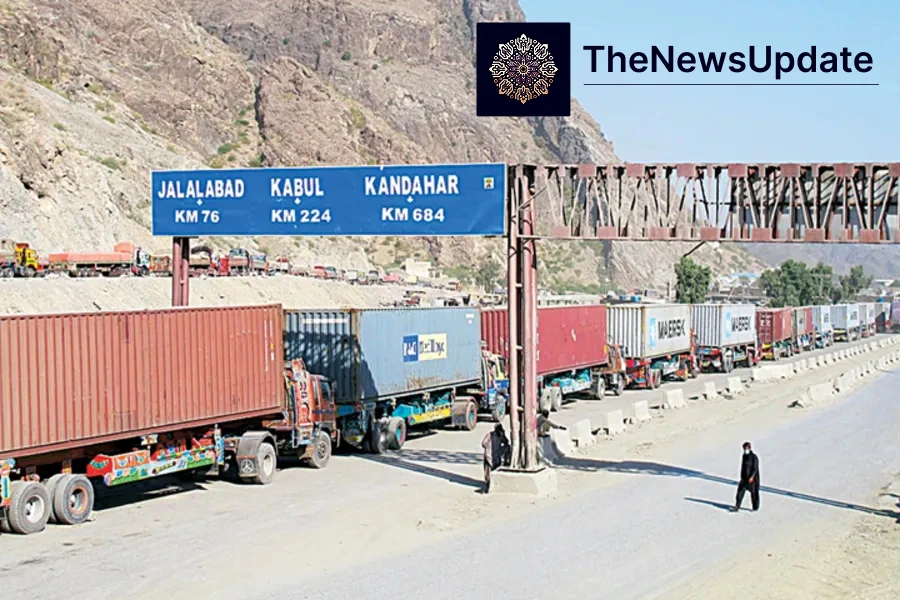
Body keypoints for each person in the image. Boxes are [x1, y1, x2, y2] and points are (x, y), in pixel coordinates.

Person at [731, 441, 760, 512]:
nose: (745, 450)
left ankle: (755, 507)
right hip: (744, 478)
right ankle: (737, 506)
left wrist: (752, 477)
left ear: (750, 448)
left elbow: (755, 468)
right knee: (740, 492)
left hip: (752, 479)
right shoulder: (744, 456)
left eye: (746, 448)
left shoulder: (754, 457)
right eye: (744, 448)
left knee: (754, 493)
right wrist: (741, 476)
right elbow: (743, 467)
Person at [481, 423, 510, 493]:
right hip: (494, 456)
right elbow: (506, 442)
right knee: (508, 447)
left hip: (491, 456)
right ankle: (507, 462)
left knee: (488, 471)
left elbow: (483, 443)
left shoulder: (491, 434)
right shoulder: (498, 435)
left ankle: (488, 484)